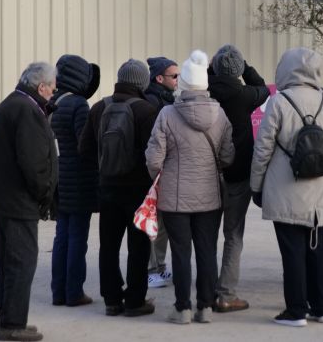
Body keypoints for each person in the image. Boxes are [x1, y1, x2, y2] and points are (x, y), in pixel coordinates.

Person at [250, 47, 323, 327]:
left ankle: (296, 311)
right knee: (319, 250)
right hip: (322, 195)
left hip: (285, 190)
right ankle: (321, 307)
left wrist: (257, 185)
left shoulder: (279, 102)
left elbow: (263, 148)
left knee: (292, 253)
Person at [146, 50, 235, 325]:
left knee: (180, 251)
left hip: (174, 198)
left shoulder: (167, 114)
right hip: (209, 196)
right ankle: (205, 307)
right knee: (207, 250)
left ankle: (182, 308)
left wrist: (161, 178)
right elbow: (228, 156)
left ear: (183, 82)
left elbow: (153, 159)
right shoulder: (220, 115)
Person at [0, 62, 59, 342]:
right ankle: (12, 324)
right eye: (53, 86)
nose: (55, 91)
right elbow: (33, 162)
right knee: (21, 262)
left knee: (12, 261)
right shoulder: (27, 110)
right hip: (18, 201)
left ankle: (11, 320)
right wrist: (44, 195)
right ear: (41, 87)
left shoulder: (13, 104)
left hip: (6, 199)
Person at [79, 59, 159, 317]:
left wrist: (105, 167)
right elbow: (153, 152)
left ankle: (112, 300)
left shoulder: (99, 107)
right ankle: (136, 300)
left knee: (109, 245)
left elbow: (85, 149)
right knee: (139, 245)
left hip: (108, 187)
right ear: (142, 82)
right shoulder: (146, 110)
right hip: (138, 189)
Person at [207, 44, 270, 312]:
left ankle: (205, 288)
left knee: (206, 233)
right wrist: (246, 67)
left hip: (207, 173)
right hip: (237, 173)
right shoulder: (243, 94)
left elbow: (211, 74)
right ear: (238, 70)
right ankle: (226, 293)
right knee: (233, 233)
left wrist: (213, 67)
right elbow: (264, 88)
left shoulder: (206, 89)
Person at [50, 54, 100, 308]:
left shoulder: (52, 101)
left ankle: (58, 292)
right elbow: (86, 145)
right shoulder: (79, 105)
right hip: (79, 179)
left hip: (59, 178)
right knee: (77, 237)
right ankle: (74, 293)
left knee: (62, 236)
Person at [143, 56, 178, 288]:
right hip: (153, 172)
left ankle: (160, 266)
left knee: (162, 223)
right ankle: (151, 269)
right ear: (159, 78)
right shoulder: (153, 103)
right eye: (174, 76)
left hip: (162, 172)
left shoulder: (165, 100)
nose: (177, 80)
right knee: (153, 223)